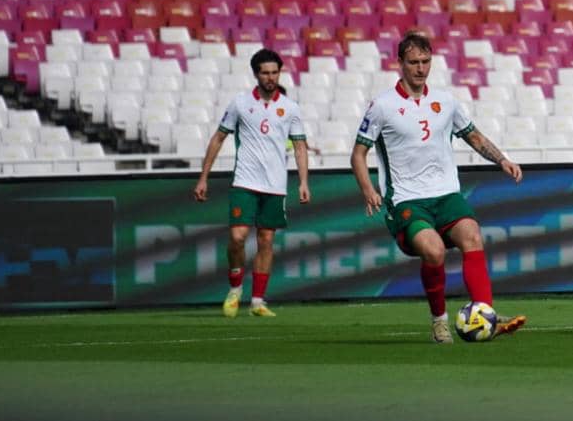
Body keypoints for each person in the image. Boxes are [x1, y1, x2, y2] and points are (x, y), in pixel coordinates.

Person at [350, 33, 527, 344]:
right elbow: (358, 154)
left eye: (426, 62)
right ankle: (439, 321)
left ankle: (484, 312)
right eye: (414, 62)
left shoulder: (446, 101)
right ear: (400, 64)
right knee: (433, 251)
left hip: (445, 195)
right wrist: (367, 189)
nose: (420, 68)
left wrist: (502, 160)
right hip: (406, 200)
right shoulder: (382, 106)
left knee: (472, 234)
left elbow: (475, 137)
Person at [194, 48, 311, 318]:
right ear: (256, 74)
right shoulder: (240, 103)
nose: (270, 77)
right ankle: (235, 289)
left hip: (275, 184)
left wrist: (303, 181)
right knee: (237, 237)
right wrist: (203, 177)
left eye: (274, 72)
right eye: (265, 72)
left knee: (266, 241)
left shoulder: (290, 108)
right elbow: (218, 138)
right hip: (245, 180)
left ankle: (257, 301)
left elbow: (301, 146)